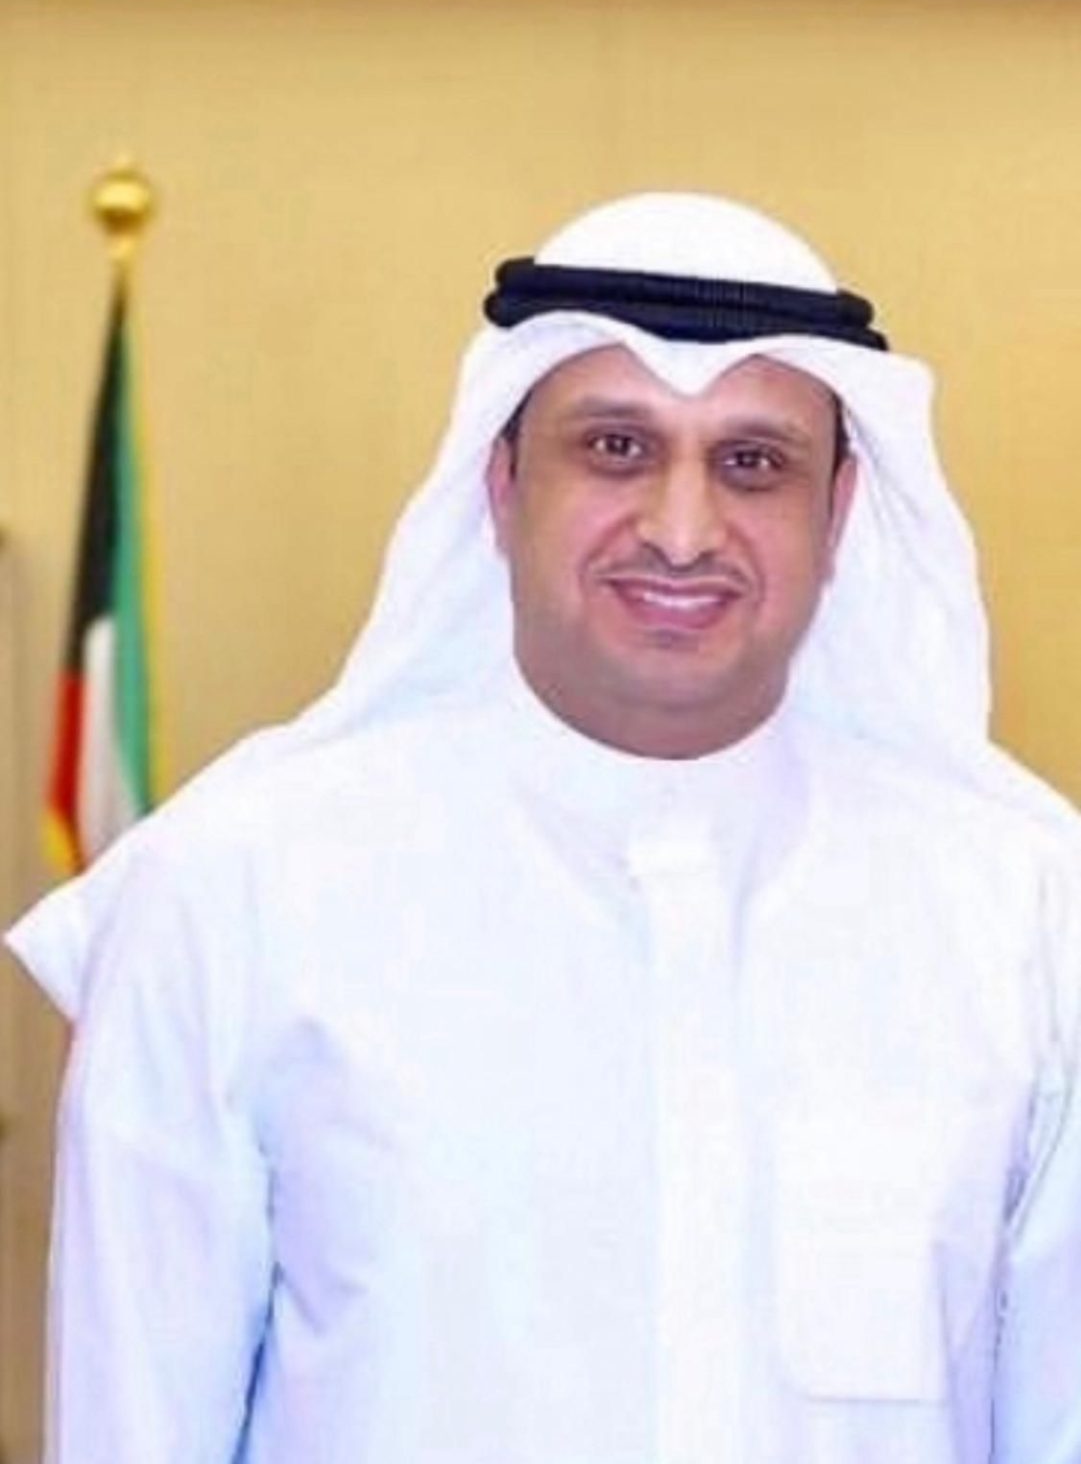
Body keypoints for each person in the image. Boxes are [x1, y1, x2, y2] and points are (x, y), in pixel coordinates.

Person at [7, 192, 1081, 1464]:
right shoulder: (233, 889)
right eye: (616, 447)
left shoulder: (1024, 911)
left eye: (752, 462)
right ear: (502, 480)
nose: (681, 531)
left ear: (838, 510)